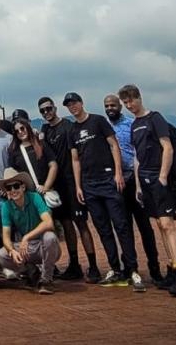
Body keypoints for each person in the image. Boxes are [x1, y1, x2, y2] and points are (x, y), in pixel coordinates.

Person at [120, 83, 176, 297]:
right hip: (144, 179)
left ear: (139, 98)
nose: (129, 105)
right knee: (160, 224)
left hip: (159, 178)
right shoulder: (134, 125)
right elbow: (137, 157)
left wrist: (162, 176)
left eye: (131, 100)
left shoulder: (155, 118)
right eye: (126, 102)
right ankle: (171, 266)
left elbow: (167, 146)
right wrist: (139, 186)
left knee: (168, 224)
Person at [64, 92, 137, 288]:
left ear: (81, 103)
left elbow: (114, 145)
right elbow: (75, 159)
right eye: (69, 105)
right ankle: (115, 268)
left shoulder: (98, 121)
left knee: (121, 225)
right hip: (89, 184)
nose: (73, 107)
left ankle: (132, 268)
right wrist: (78, 186)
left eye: (75, 103)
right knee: (103, 229)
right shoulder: (72, 131)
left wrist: (118, 172)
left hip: (108, 179)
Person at [105, 93, 162, 290]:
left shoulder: (131, 124)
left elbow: (139, 151)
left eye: (113, 105)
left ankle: (154, 267)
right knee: (123, 227)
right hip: (116, 181)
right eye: (107, 105)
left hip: (134, 178)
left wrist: (139, 183)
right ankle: (131, 267)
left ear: (120, 106)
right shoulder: (105, 126)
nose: (110, 108)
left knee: (145, 227)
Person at [38, 94, 96, 282]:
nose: (46, 112)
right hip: (56, 186)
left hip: (72, 182)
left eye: (49, 108)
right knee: (66, 224)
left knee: (81, 223)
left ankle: (93, 265)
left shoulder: (69, 127)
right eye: (42, 110)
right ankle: (74, 263)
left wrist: (80, 184)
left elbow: (77, 156)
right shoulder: (45, 130)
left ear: (55, 108)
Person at [0, 168, 60, 295]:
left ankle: (46, 279)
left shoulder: (35, 197)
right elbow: (6, 236)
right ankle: (30, 271)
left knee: (50, 237)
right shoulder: (6, 207)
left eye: (16, 186)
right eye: (9, 188)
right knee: (1, 255)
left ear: (23, 187)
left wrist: (26, 237)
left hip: (43, 245)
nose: (13, 190)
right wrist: (12, 251)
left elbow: (48, 223)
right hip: (27, 249)